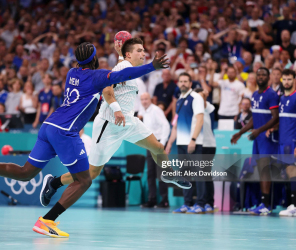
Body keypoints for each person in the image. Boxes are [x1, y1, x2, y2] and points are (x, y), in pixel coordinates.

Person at [0, 42, 170, 238]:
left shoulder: (72, 73)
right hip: (65, 132)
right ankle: (47, 221)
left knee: (26, 172)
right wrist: (152, 66)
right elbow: (124, 76)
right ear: (94, 59)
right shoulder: (95, 77)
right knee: (84, 181)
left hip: (49, 126)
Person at [46, 38, 191, 204]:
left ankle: (168, 173)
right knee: (92, 173)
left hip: (128, 121)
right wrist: (117, 110)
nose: (143, 53)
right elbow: (107, 90)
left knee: (158, 147)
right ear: (128, 54)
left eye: (144, 50)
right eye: (139, 50)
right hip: (110, 124)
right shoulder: (123, 66)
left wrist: (121, 54)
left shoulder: (127, 67)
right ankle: (54, 182)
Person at [231, 67, 279, 215]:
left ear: (268, 77)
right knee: (260, 170)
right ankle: (263, 203)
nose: (261, 77)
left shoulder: (271, 94)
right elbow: (254, 119)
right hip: (257, 139)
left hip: (267, 139)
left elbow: (275, 117)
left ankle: (266, 204)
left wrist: (260, 130)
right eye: (259, 75)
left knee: (265, 170)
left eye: (264, 75)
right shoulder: (255, 95)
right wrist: (240, 132)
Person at [268, 69, 296, 216]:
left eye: (289, 79)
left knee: (293, 171)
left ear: (294, 81)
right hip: (282, 142)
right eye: (284, 79)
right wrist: (273, 128)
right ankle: (294, 204)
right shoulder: (282, 98)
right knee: (287, 173)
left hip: (292, 141)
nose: (286, 82)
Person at [166, 72, 205, 214]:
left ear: (190, 83)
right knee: (184, 174)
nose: (183, 83)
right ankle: (187, 204)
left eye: (185, 81)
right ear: (178, 84)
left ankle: (200, 204)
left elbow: (200, 120)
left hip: (193, 143)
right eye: (181, 81)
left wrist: (193, 139)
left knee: (199, 174)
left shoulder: (196, 97)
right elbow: (175, 125)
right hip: (181, 143)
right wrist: (170, 143)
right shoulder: (179, 100)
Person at [138, 92, 171, 208]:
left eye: (146, 99)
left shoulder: (156, 110)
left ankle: (164, 200)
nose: (144, 101)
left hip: (158, 143)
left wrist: (162, 143)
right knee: (150, 173)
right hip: (150, 144)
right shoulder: (144, 111)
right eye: (142, 99)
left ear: (150, 99)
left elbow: (166, 125)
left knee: (161, 173)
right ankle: (152, 199)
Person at [195, 88, 216, 213]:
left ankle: (208, 203)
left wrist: (203, 96)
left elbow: (204, 104)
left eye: (201, 97)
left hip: (209, 145)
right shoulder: (193, 108)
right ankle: (202, 202)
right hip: (198, 145)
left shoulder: (208, 107)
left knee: (206, 174)